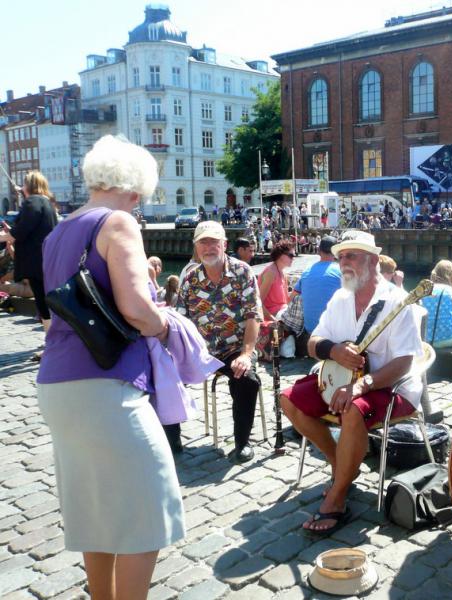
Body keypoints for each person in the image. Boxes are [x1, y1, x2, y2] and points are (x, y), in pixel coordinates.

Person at [36, 135, 184, 599]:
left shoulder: (59, 229)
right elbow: (137, 308)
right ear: (135, 189)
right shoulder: (119, 221)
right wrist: (168, 327)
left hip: (59, 383)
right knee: (150, 509)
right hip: (106, 383)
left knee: (96, 511)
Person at [280, 231, 428, 535]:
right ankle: (341, 466)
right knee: (287, 398)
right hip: (342, 379)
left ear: (373, 261)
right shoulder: (341, 297)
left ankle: (337, 499)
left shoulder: (398, 302)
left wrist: (362, 386)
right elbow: (313, 342)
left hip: (390, 385)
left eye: (352, 256)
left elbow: (404, 362)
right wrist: (332, 350)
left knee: (351, 410)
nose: (344, 262)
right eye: (341, 256)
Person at [177, 220, 263, 462]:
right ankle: (172, 441)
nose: (208, 247)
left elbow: (253, 315)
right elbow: (180, 321)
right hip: (199, 351)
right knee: (162, 370)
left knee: (245, 379)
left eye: (214, 242)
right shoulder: (190, 280)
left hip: (234, 348)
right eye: (203, 242)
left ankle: (242, 443)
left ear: (224, 244)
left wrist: (246, 354)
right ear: (196, 247)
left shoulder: (242, 272)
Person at [0, 171, 57, 335]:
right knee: (46, 299)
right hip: (47, 258)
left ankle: (50, 343)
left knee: (42, 301)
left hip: (35, 261)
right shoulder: (47, 203)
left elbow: (21, 231)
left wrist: (7, 235)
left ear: (29, 186)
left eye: (24, 184)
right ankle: (52, 342)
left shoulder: (33, 201)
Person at [293, 236, 341, 335]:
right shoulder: (341, 272)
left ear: (319, 250)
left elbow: (291, 297)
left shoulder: (306, 272)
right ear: (336, 252)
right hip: (333, 332)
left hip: (310, 330)